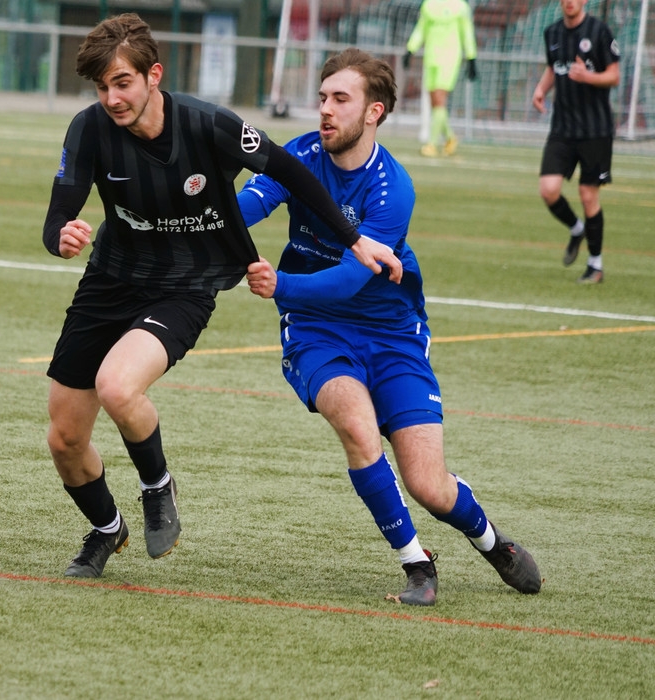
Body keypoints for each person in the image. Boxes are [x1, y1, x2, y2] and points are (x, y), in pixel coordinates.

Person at [42, 13, 402, 579]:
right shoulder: (88, 130)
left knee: (117, 386)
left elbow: (291, 171)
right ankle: (107, 529)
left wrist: (353, 239)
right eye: (103, 87)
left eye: (123, 83)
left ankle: (157, 486)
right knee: (65, 438)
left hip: (186, 285)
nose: (112, 98)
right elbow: (58, 214)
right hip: (109, 280)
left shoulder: (208, 124)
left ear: (153, 75)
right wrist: (61, 237)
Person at [239, 48, 541, 606]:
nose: (325, 109)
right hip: (316, 329)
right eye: (323, 97)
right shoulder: (299, 155)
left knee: (429, 485)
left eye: (341, 99)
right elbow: (246, 208)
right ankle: (416, 565)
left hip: (392, 333)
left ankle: (491, 542)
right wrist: (196, 208)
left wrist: (279, 284)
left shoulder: (392, 189)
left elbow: (349, 281)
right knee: (357, 427)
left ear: (373, 112)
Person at [532, 0, 620, 285]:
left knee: (588, 194)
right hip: (562, 128)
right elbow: (553, 68)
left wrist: (588, 76)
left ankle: (595, 265)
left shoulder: (599, 31)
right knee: (548, 190)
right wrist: (541, 89)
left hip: (595, 129)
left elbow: (614, 76)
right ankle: (576, 228)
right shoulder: (552, 32)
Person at [403, 0, 477, 157]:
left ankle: (432, 144)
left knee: (439, 98)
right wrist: (411, 49)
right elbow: (421, 29)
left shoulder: (460, 7)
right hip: (431, 58)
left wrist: (471, 57)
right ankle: (450, 137)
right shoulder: (429, 5)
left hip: (450, 58)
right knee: (435, 103)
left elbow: (467, 32)